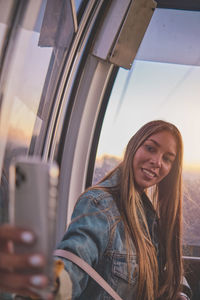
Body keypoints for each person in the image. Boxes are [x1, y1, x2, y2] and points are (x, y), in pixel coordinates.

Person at [0, 120, 191, 300]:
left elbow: (162, 269)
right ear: (134, 146)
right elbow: (75, 260)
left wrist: (179, 294)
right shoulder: (100, 204)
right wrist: (48, 281)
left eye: (167, 159)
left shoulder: (149, 215)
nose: (157, 161)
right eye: (150, 148)